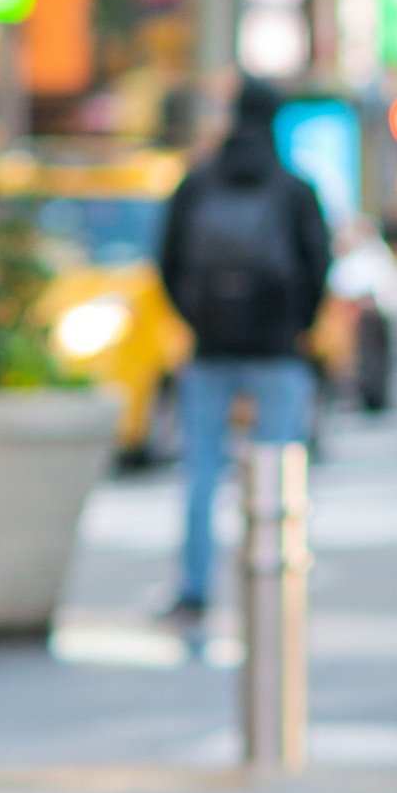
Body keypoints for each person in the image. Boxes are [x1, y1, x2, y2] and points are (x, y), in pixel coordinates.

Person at [156, 78, 333, 625]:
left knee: (201, 473)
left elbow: (165, 259)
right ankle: (275, 581)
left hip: (209, 348)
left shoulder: (198, 182)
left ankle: (193, 590)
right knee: (279, 471)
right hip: (277, 350)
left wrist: (197, 320)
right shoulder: (294, 188)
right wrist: (294, 327)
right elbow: (318, 265)